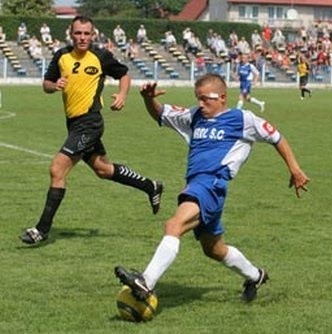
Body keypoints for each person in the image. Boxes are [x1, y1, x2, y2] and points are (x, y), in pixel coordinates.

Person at [114, 74, 309, 302]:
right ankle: (255, 275)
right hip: (197, 184)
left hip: (212, 183)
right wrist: (149, 99)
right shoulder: (195, 116)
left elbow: (276, 137)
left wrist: (295, 169)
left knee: (173, 225)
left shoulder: (242, 119)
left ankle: (146, 282)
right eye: (198, 98)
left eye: (206, 99)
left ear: (223, 98)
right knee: (214, 249)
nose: (200, 104)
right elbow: (163, 114)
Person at [19, 16, 164, 245]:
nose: (82, 38)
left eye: (86, 33)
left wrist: (122, 95)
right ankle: (150, 186)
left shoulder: (101, 56)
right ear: (71, 33)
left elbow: (124, 74)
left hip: (90, 122)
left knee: (57, 169)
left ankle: (42, 229)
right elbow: (46, 84)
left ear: (93, 35)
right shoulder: (61, 56)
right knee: (103, 170)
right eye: (78, 33)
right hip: (74, 124)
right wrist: (54, 86)